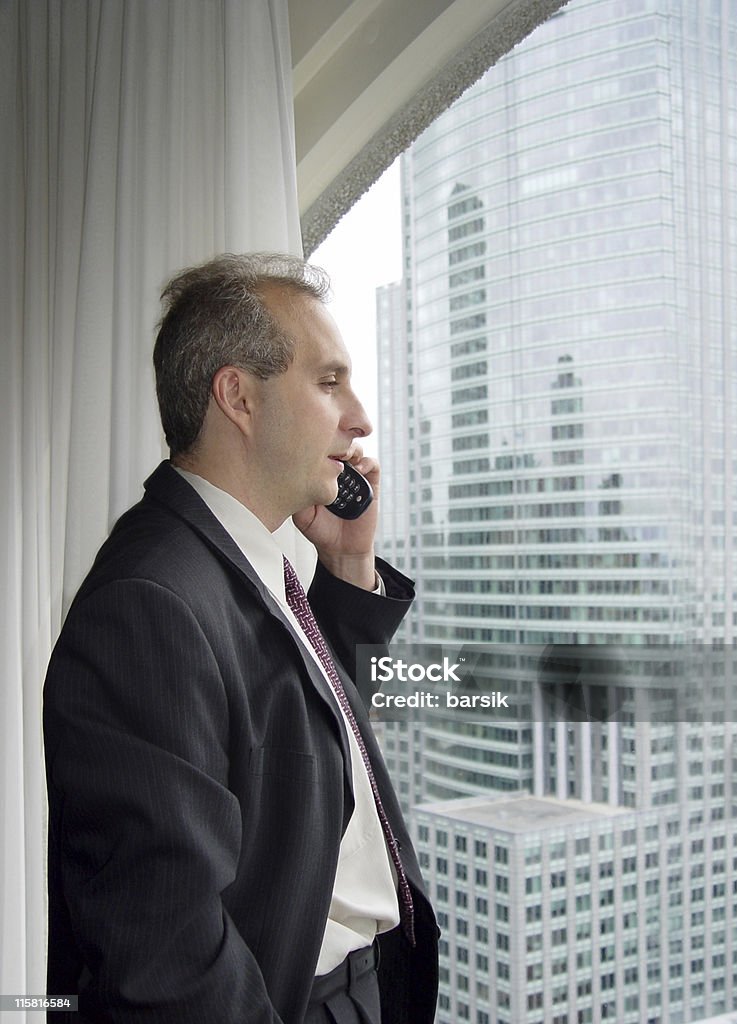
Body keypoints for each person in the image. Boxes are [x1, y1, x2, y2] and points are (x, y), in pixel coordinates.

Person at [43, 253, 439, 1024]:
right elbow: (167, 955)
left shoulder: (246, 560)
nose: (359, 417)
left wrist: (348, 565)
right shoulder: (148, 604)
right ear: (239, 397)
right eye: (329, 382)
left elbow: (307, 749)